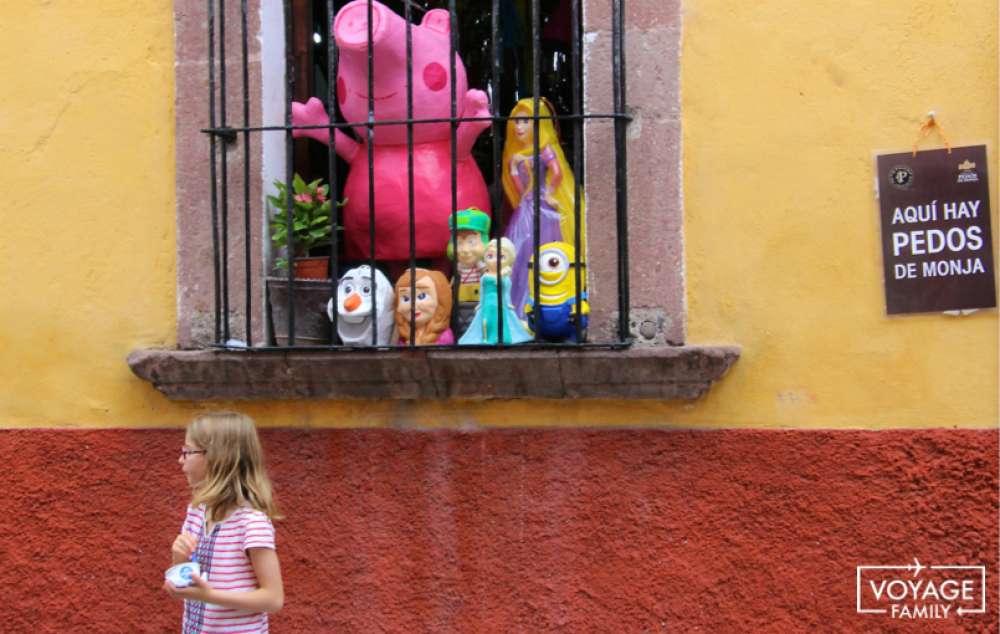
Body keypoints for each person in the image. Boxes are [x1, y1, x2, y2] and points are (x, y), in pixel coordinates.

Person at [163, 412, 284, 633]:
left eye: (188, 451)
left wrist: (210, 596)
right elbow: (182, 582)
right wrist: (178, 559)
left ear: (218, 458)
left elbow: (273, 599)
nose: (181, 459)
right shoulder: (197, 512)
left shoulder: (251, 523)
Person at [501, 97, 586, 318]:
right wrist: (513, 167)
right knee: (520, 252)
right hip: (526, 207)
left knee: (546, 251)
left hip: (544, 207)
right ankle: (518, 310)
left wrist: (548, 192)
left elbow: (557, 172)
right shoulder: (515, 155)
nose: (519, 127)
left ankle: (551, 305)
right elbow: (519, 189)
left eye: (526, 121)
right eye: (516, 122)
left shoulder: (545, 148)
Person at [459, 238, 533, 345]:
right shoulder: (485, 276)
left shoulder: (505, 277)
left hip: (501, 303)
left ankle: (502, 337)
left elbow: (506, 290)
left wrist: (508, 303)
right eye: (490, 256)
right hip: (487, 303)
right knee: (486, 321)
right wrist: (480, 303)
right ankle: (487, 338)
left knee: (500, 320)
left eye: (501, 257)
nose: (494, 260)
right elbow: (482, 291)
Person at [395, 268, 455, 345]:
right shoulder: (404, 335)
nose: (413, 306)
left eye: (422, 296)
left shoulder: (443, 336)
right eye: (406, 299)